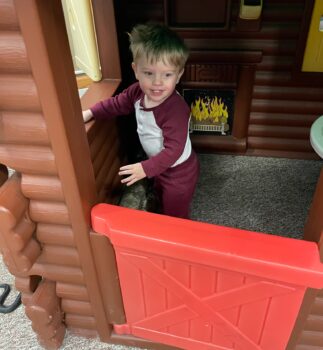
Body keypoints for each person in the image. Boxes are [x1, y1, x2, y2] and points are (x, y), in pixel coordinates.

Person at [83, 23, 199, 219]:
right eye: (149, 73)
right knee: (160, 193)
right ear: (136, 71)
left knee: (175, 212)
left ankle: (174, 237)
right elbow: (117, 103)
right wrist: (91, 112)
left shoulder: (175, 110)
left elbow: (174, 150)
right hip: (159, 164)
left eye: (167, 75)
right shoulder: (136, 92)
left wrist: (145, 168)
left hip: (179, 173)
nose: (157, 83)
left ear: (178, 75)